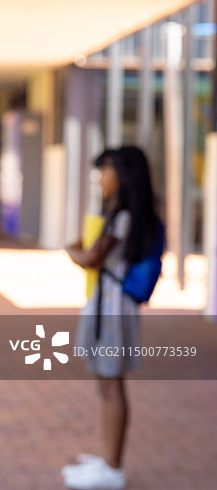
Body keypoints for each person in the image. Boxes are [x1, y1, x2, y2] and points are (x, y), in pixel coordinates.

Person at [62, 146, 162, 490]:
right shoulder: (125, 214)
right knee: (106, 383)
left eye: (105, 171)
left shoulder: (124, 216)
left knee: (112, 382)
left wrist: (71, 250)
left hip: (114, 310)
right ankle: (107, 459)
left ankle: (113, 467)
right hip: (109, 305)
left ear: (124, 176)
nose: (101, 178)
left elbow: (91, 257)